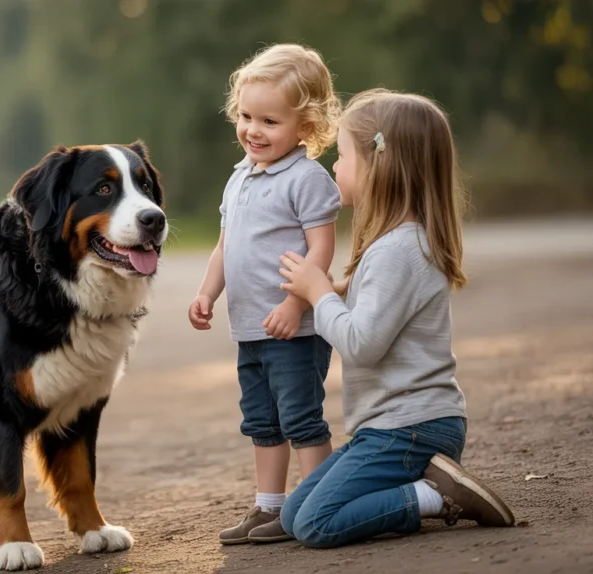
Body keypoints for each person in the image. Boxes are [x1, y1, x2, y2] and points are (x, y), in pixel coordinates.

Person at [276, 88, 516, 549]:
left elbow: (362, 344)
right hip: (392, 429)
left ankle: (435, 496)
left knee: (315, 524)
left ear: (378, 163)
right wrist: (339, 290)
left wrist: (319, 293)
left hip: (409, 430)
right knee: (292, 515)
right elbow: (383, 308)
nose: (335, 167)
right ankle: (419, 490)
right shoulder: (399, 245)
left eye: (343, 155)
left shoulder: (398, 251)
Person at [188, 43, 343, 544]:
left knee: (301, 418)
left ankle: (315, 503)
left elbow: (322, 248)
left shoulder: (307, 178)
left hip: (294, 330)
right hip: (250, 328)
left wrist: (296, 303)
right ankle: (269, 507)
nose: (253, 130)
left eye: (270, 122)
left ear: (306, 125)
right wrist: (207, 294)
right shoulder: (238, 178)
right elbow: (225, 248)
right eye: (246, 117)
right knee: (261, 422)